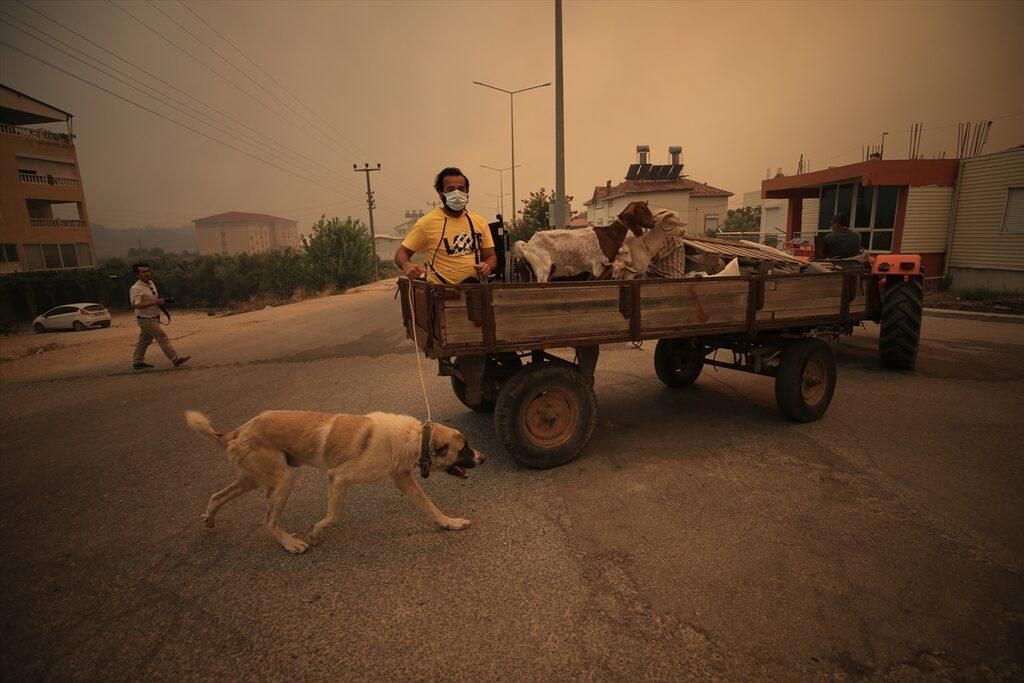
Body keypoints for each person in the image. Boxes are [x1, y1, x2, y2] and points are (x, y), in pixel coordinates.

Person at [394, 167, 497, 284]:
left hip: (475, 291)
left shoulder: (479, 221)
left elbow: (491, 257)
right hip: (442, 294)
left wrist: (487, 266)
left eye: (461, 189)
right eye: (451, 189)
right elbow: (401, 253)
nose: (457, 193)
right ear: (440, 193)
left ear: (467, 192)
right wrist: (406, 265)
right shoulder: (426, 223)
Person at [129, 262, 190, 370]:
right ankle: (175, 359)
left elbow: (152, 299)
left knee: (144, 341)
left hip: (153, 317)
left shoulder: (151, 283)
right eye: (143, 272)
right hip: (146, 319)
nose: (147, 273)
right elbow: (136, 305)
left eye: (148, 271)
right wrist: (154, 303)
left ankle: (137, 361)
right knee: (162, 336)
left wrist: (160, 302)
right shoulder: (136, 288)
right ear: (137, 275)